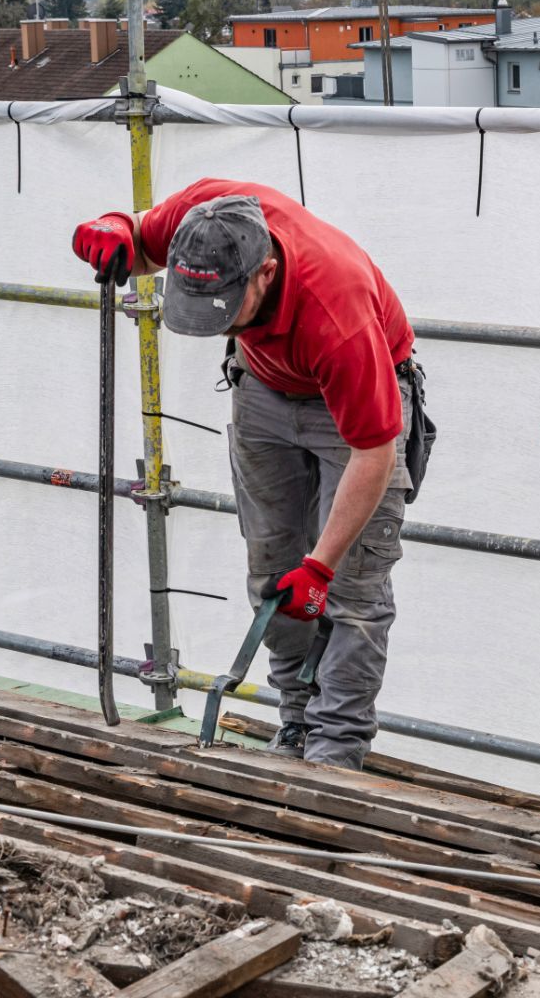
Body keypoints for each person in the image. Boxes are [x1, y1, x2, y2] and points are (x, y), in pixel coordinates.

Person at [72, 179, 434, 769]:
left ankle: (335, 749)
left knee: (352, 586)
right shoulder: (204, 219)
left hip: (355, 408)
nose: (214, 326)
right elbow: (139, 239)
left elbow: (374, 453)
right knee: (273, 572)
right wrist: (113, 227)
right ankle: (296, 719)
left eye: (224, 312)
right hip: (265, 389)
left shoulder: (337, 311)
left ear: (266, 272)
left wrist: (321, 565)